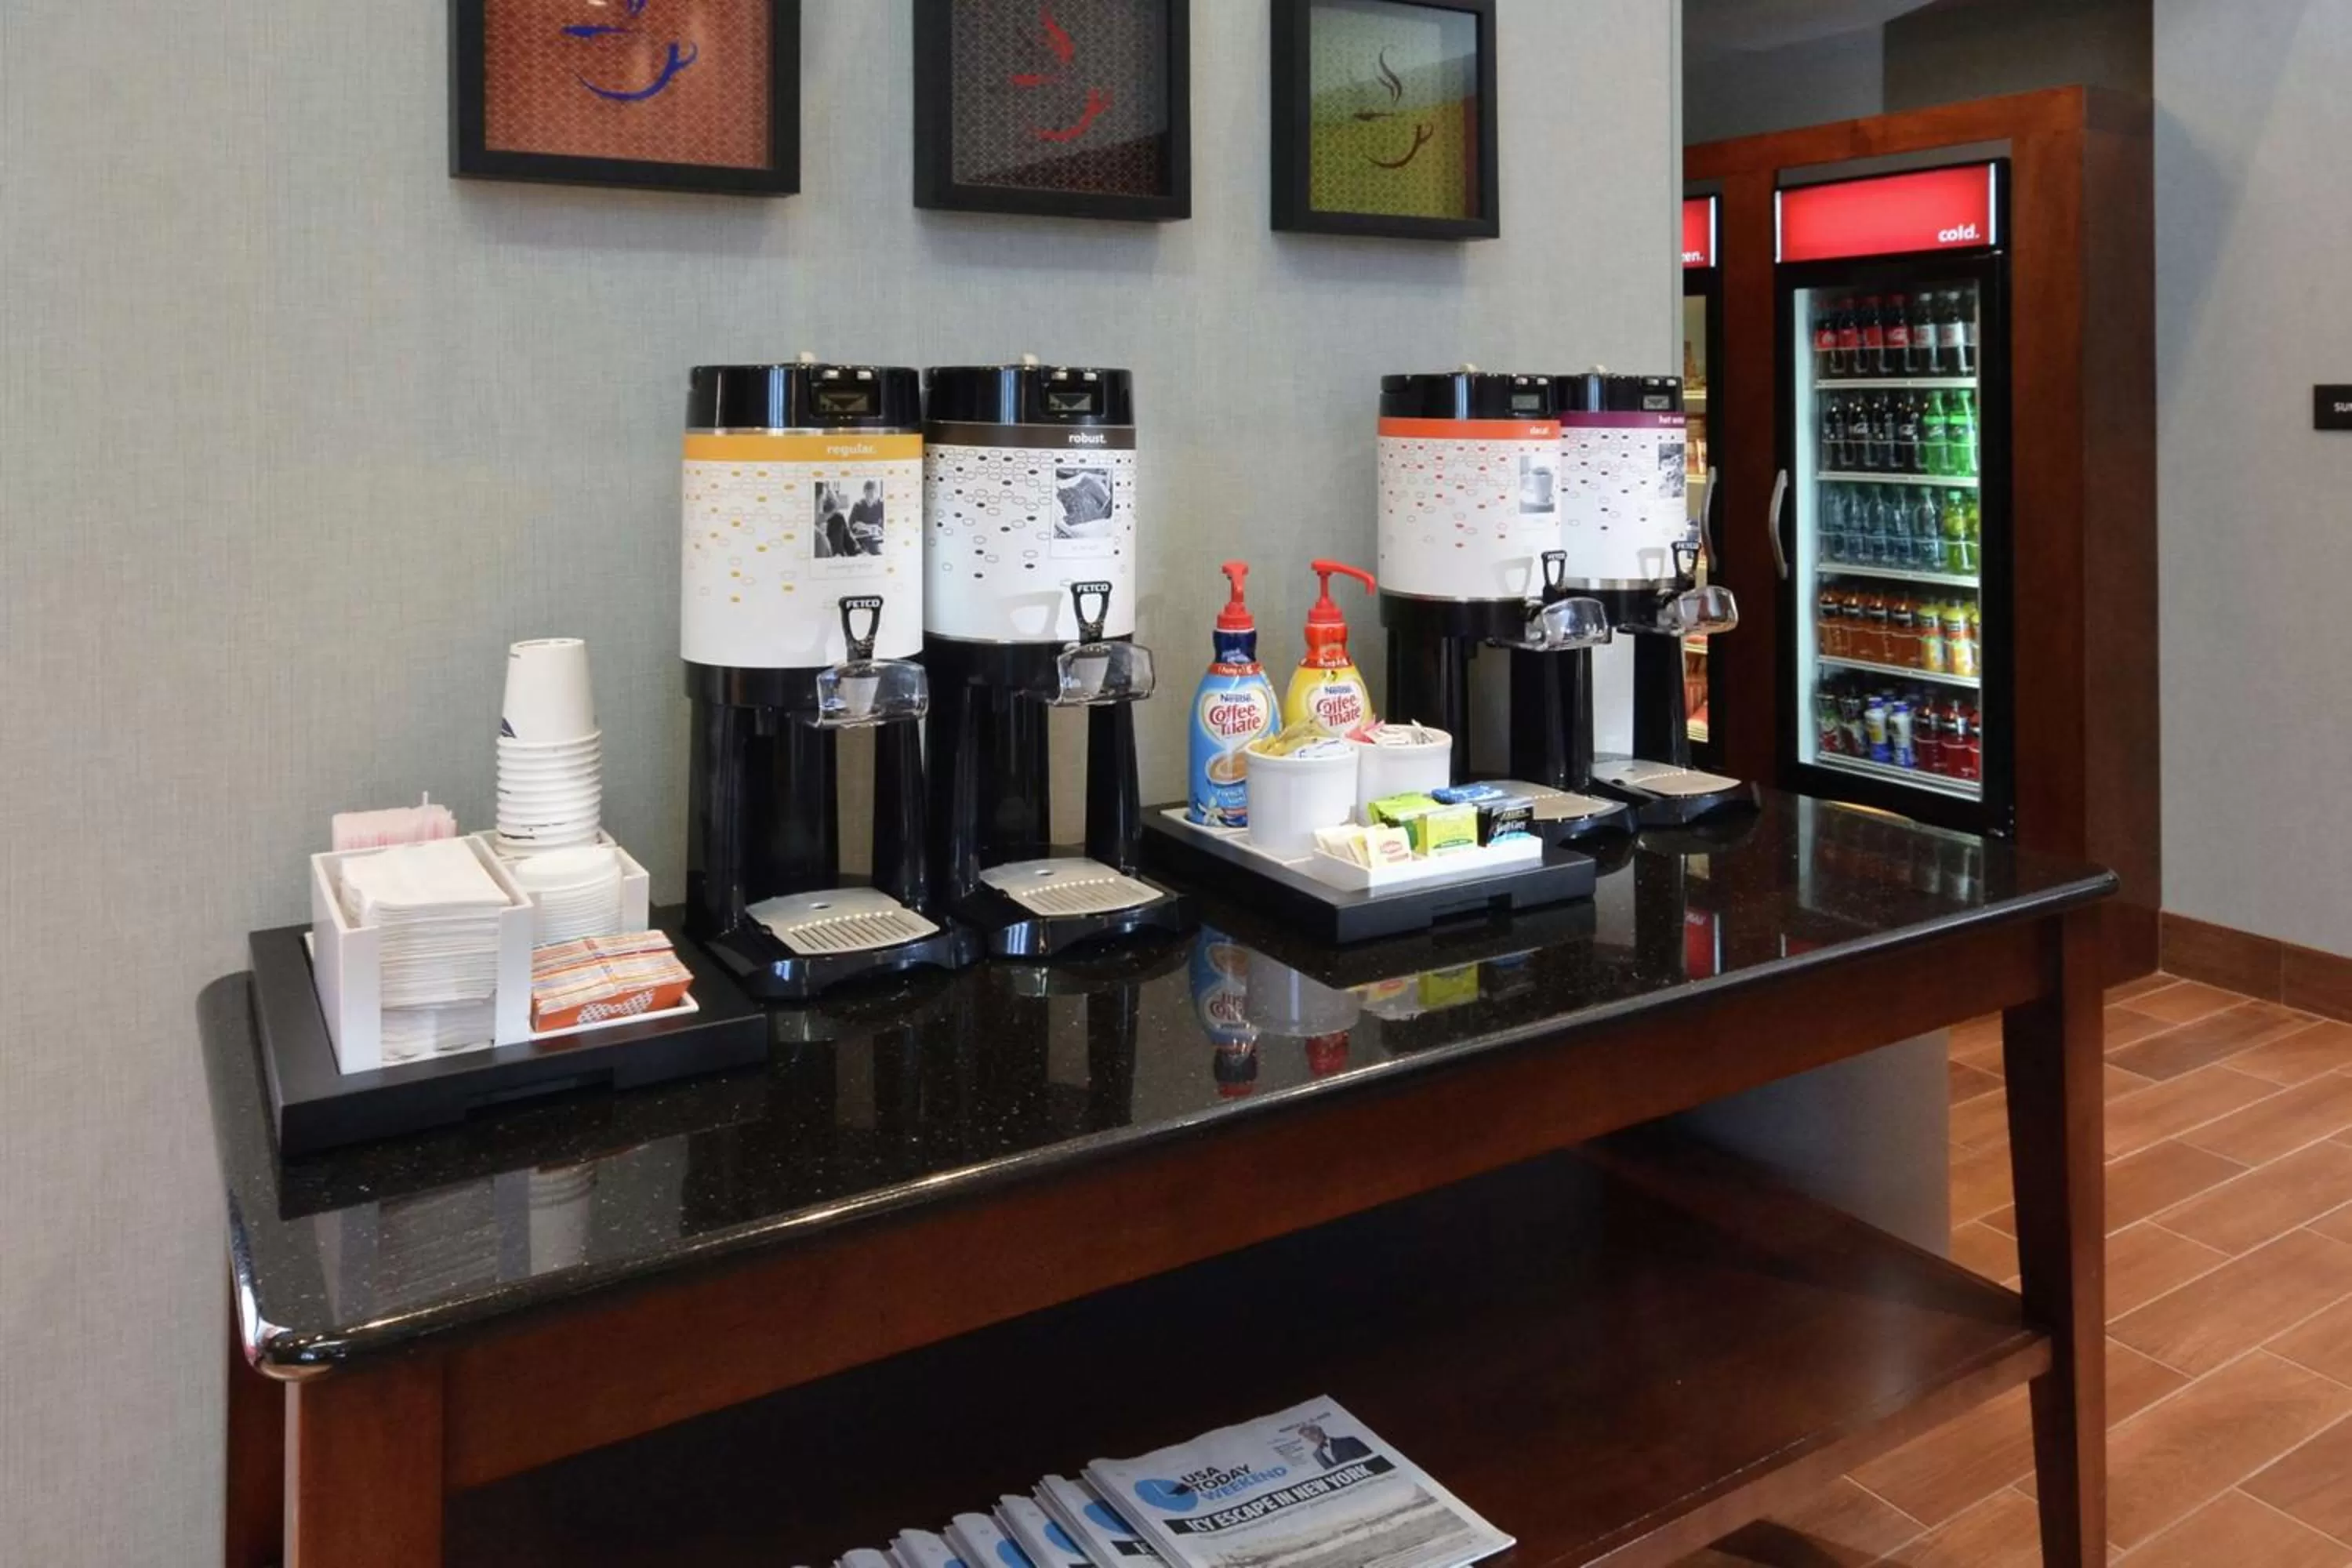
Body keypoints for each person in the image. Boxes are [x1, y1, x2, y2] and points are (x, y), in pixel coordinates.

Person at [1299, 1423, 1370, 1470]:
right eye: (1307, 1436)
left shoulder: (1348, 1441)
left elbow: (1369, 1458)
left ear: (1321, 1431)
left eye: (1312, 1433)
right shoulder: (1317, 1455)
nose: (1311, 1437)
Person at [848, 480, 886, 557]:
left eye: (872, 494)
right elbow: (851, 523)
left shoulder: (881, 504)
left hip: (877, 538)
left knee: (878, 553)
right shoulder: (858, 505)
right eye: (867, 494)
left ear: (876, 493)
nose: (869, 498)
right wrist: (856, 525)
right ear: (864, 493)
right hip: (862, 538)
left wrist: (880, 528)